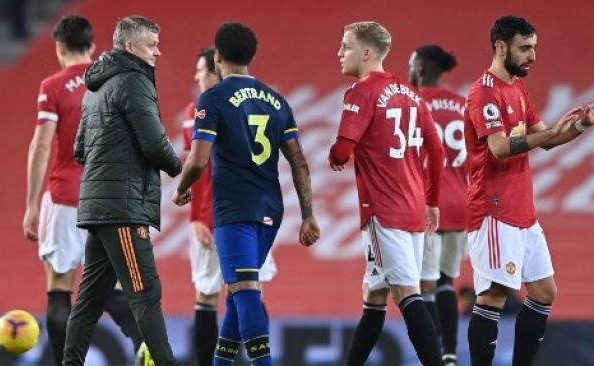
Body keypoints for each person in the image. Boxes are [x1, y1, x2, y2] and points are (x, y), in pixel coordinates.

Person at [173, 22, 320, 366]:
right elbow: (298, 160)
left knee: (244, 291)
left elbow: (198, 160)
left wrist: (181, 190)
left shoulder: (213, 98)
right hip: (271, 207)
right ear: (251, 56)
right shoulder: (276, 99)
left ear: (218, 56)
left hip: (233, 208)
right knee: (240, 290)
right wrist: (308, 213)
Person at [464, 15, 594, 366]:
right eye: (525, 48)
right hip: (493, 209)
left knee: (544, 292)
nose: (532, 56)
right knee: (495, 296)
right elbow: (499, 148)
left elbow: (546, 139)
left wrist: (581, 126)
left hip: (522, 210)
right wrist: (548, 132)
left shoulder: (516, 88)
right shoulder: (484, 92)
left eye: (534, 48)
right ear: (501, 47)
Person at [21, 15, 143, 365]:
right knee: (109, 287)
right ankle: (143, 343)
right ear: (92, 47)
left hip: (65, 197)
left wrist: (31, 205)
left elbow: (41, 146)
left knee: (61, 284)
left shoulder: (53, 86)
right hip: (110, 198)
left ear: (59, 49)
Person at [62, 15, 183, 366]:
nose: (158, 52)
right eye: (152, 45)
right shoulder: (133, 80)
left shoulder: (96, 86)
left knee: (89, 300)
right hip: (124, 207)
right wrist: (181, 171)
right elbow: (154, 143)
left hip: (99, 204)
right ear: (130, 47)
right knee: (145, 292)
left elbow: (80, 149)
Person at [329, 21, 445, 366]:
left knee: (408, 294)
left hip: (384, 209)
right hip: (413, 207)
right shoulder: (411, 94)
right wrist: (433, 202)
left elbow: (342, 150)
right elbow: (437, 151)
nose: (339, 52)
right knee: (374, 294)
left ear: (367, 53)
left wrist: (335, 155)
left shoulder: (360, 93)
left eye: (346, 46)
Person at [182, 47, 279, 366]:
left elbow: (200, 167)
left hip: (220, 215)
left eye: (200, 71)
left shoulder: (201, 108)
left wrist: (198, 216)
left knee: (215, 293)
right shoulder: (257, 103)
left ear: (217, 69)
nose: (196, 77)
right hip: (255, 212)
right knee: (248, 290)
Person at [408, 44, 467, 366]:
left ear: (420, 69)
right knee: (447, 281)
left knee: (424, 284)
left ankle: (431, 358)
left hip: (428, 203)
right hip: (461, 203)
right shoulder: (463, 104)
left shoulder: (414, 104)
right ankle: (449, 353)